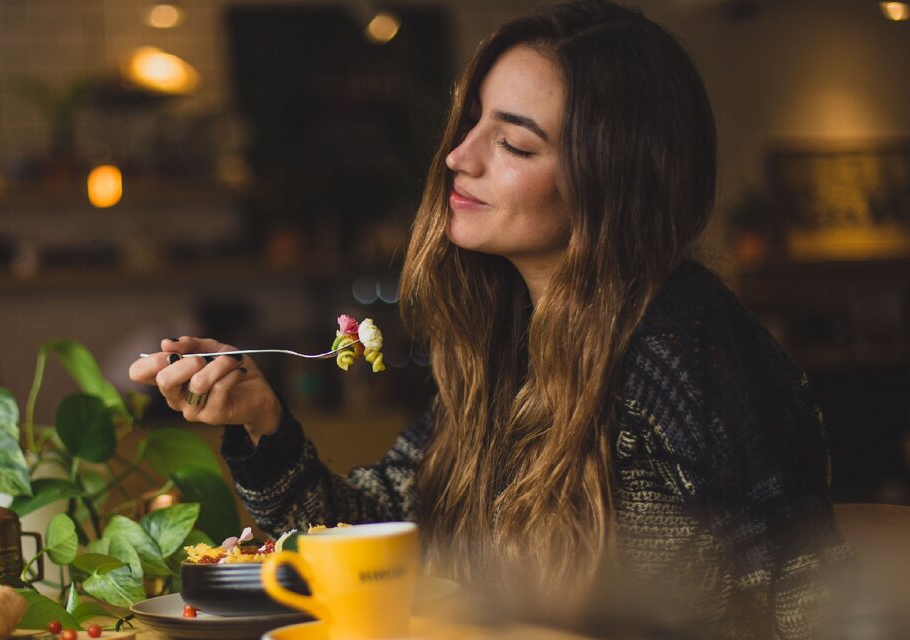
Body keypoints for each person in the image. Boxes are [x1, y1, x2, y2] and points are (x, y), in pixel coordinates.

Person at [129, 0, 851, 636]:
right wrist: (261, 422)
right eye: (471, 121)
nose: (456, 155)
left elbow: (800, 604)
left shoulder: (681, 351)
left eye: (513, 143)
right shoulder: (509, 344)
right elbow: (375, 535)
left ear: (613, 181)